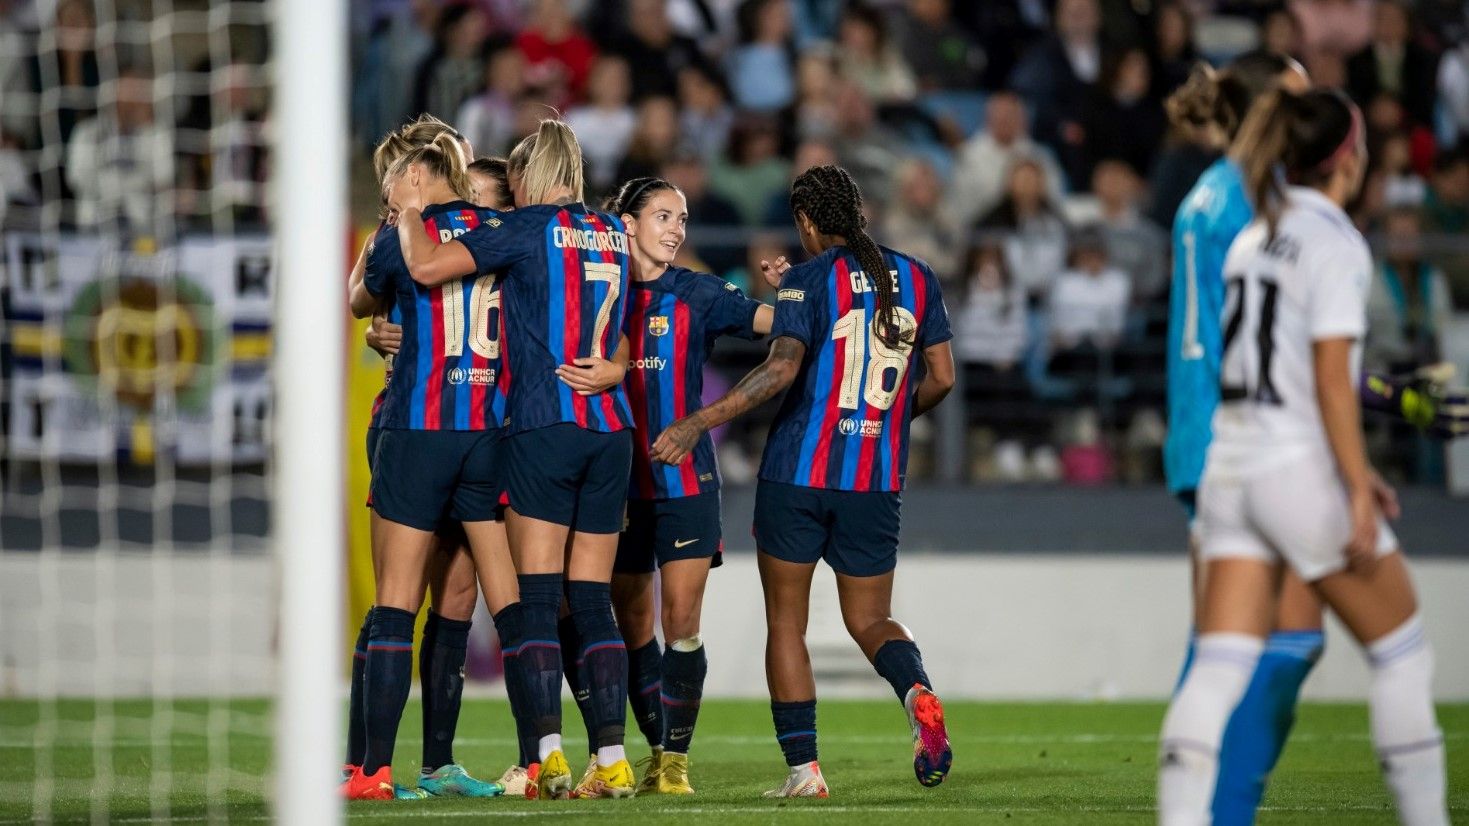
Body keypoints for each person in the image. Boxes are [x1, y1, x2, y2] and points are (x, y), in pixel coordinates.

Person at [1158, 88, 1448, 826]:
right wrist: (1355, 484)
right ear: (1348, 159)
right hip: (1292, 468)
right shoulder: (1334, 242)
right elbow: (1326, 377)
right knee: (1402, 653)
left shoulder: (1254, 237)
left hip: (1230, 467)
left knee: (1219, 665)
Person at [649, 165, 956, 798]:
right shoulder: (918, 277)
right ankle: (916, 690)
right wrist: (887, 421)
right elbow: (944, 377)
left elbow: (782, 369)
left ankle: (805, 772)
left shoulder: (809, 279)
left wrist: (699, 420)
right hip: (874, 478)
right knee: (871, 619)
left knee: (787, 625)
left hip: (799, 472)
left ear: (809, 223)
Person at [395, 119, 638, 801]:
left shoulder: (529, 227)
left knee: (534, 600)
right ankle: (612, 759)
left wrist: (410, 211)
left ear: (530, 176)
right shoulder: (613, 234)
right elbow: (621, 328)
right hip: (608, 429)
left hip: (544, 424)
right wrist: (617, 369)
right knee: (591, 602)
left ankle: (549, 757)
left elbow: (425, 267)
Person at [1162, 52, 1324, 826]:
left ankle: (1211, 808)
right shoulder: (1227, 205)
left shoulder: (1241, 198)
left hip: (1242, 433)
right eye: (1294, 103)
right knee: (1243, 642)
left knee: (1263, 639)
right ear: (1264, 112)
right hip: (1231, 436)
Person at [341, 133, 519, 801]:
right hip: (455, 428)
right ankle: (387, 763)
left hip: (434, 429)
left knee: (421, 601)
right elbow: (367, 307)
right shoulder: (507, 232)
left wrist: (381, 253)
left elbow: (361, 299)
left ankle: (395, 766)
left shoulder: (418, 234)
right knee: (431, 601)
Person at [603, 176, 778, 796]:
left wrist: (794, 289)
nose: (677, 228)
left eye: (682, 218)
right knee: (630, 621)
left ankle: (674, 761)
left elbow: (774, 322)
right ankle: (652, 748)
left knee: (681, 618)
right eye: (662, 215)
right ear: (626, 224)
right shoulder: (597, 292)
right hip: (616, 483)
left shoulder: (698, 292)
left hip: (686, 481)